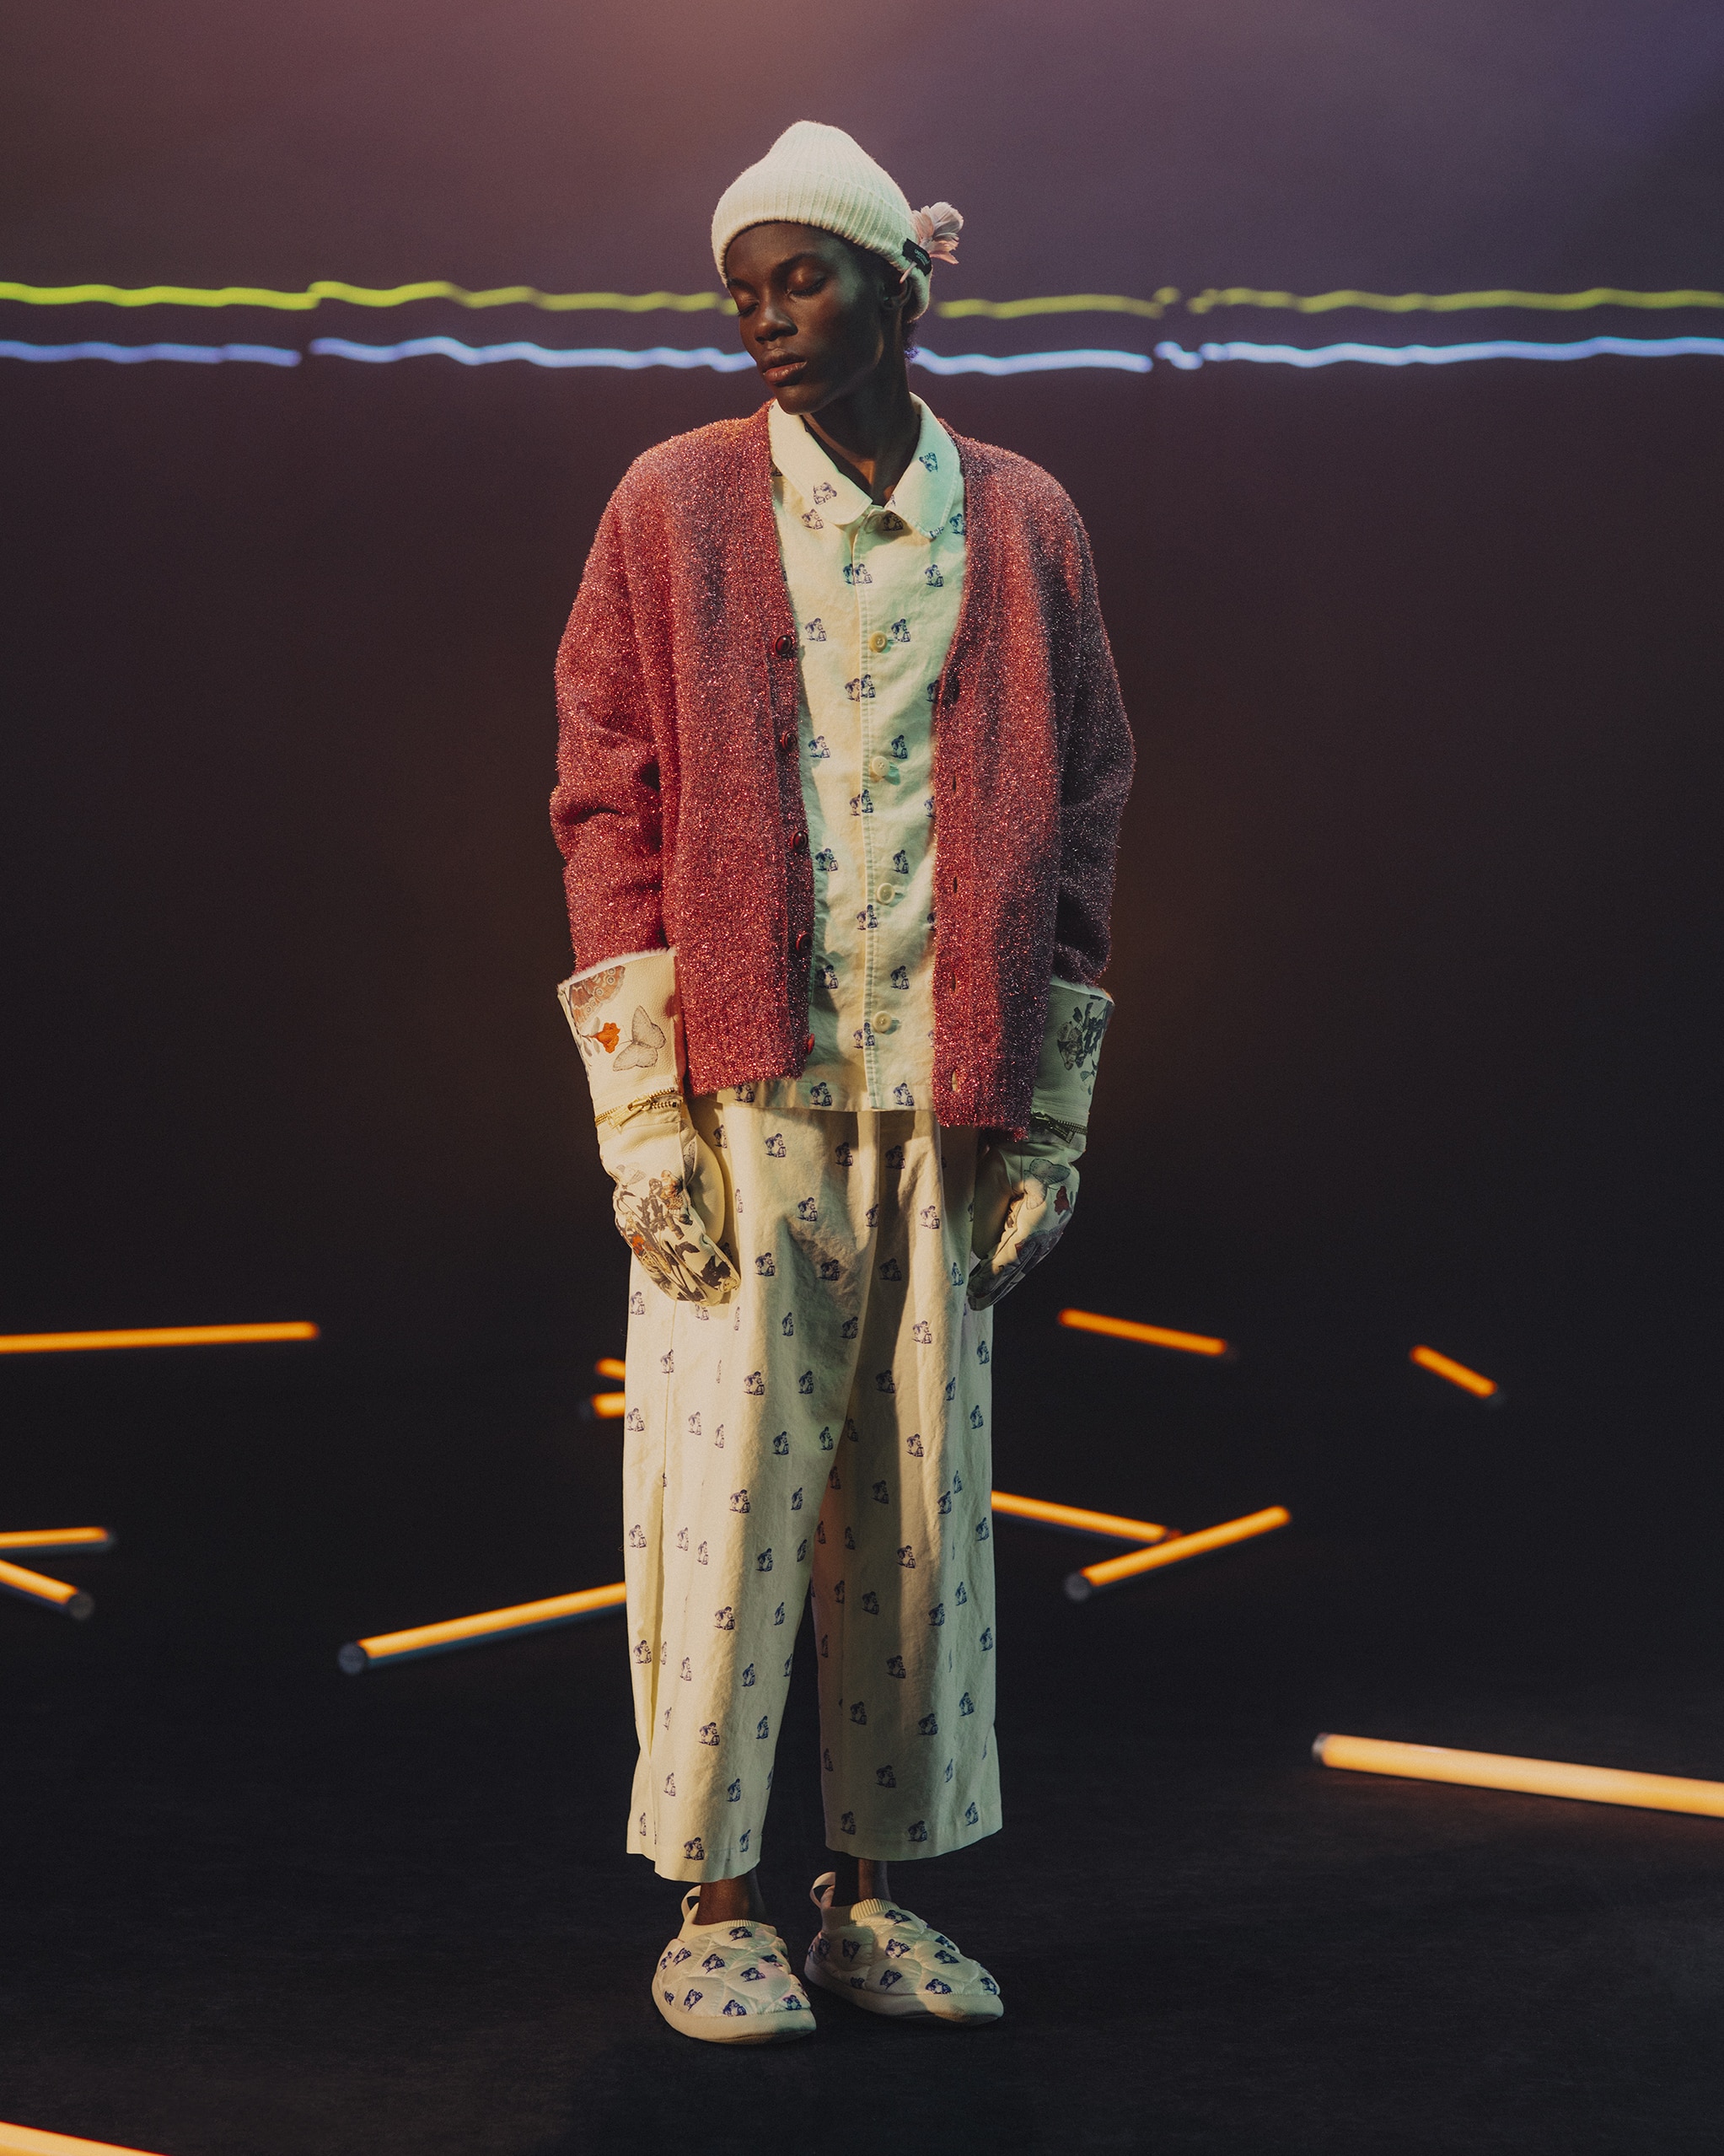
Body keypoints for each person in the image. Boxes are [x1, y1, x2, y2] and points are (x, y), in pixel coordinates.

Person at [550, 120, 1132, 2045]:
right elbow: (606, 788)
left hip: (942, 1098)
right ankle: (713, 1905)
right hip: (747, 1094)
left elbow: (1085, 799)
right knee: (722, 1505)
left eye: (804, 278)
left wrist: (1049, 1106)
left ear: (902, 282)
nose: (768, 318)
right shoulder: (676, 501)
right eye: (744, 291)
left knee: (916, 1516)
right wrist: (642, 1110)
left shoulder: (1022, 517)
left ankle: (872, 1900)